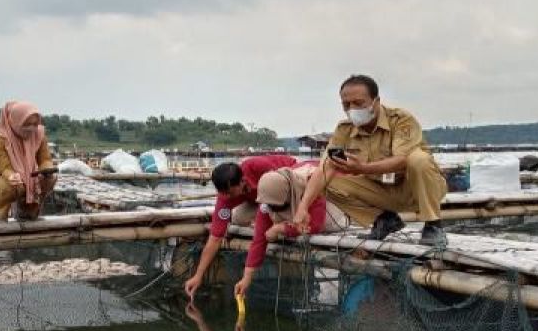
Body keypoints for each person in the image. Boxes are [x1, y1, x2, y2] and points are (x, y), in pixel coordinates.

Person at [294, 74, 448, 247]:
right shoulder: (344, 129)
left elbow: (402, 159)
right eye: (346, 105)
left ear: (376, 101)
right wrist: (303, 207)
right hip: (382, 191)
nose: (352, 109)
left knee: (418, 159)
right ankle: (385, 219)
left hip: (415, 189)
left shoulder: (401, 120)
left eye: (358, 103)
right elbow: (325, 168)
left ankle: (433, 224)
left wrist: (362, 168)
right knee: (323, 181)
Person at [183, 154, 297, 299]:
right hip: (259, 200)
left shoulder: (257, 166)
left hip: (289, 181)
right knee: (238, 218)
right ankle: (265, 216)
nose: (227, 197)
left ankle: (272, 217)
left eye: (230, 193)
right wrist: (198, 275)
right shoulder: (225, 197)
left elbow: (290, 183)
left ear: (242, 181)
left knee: (275, 211)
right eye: (223, 194)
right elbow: (215, 237)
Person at [233, 164, 351, 298]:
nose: (272, 209)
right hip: (298, 217)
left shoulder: (309, 185)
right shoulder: (268, 199)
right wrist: (246, 278)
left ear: (288, 195)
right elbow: (259, 240)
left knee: (332, 222)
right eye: (270, 206)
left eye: (277, 206)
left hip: (332, 211)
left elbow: (315, 225)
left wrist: (280, 228)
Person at [0, 101, 56, 222]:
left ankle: (26, 212)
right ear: (14, 122)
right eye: (26, 124)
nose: (32, 128)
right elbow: (5, 169)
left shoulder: (38, 134)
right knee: (12, 187)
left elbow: (45, 159)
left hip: (24, 176)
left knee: (49, 179)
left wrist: (46, 170)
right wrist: (13, 177)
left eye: (35, 124)